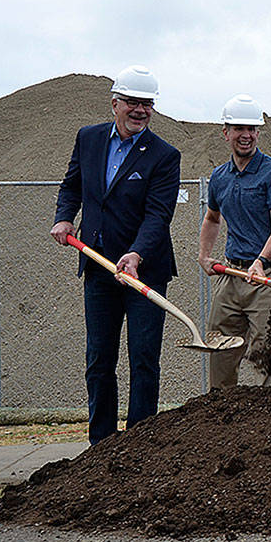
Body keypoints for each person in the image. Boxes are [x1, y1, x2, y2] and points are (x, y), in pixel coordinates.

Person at [50, 65, 181, 444]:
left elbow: (159, 215)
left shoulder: (164, 155)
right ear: (115, 104)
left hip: (144, 272)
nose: (140, 110)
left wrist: (137, 254)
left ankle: (139, 442)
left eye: (147, 104)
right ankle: (102, 443)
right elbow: (71, 186)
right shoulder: (88, 139)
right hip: (98, 264)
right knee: (99, 361)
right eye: (133, 102)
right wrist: (64, 218)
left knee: (143, 361)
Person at [197, 94, 271, 388]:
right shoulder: (219, 177)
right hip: (232, 275)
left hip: (269, 276)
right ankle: (219, 412)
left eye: (252, 129)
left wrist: (261, 263)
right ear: (225, 132)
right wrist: (204, 256)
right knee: (220, 347)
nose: (247, 135)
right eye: (239, 128)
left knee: (270, 353)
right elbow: (212, 219)